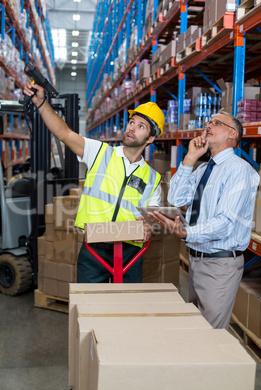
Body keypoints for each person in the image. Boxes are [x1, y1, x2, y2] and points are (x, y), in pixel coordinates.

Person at [24, 80, 165, 283]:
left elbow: (151, 218)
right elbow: (64, 133)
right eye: (132, 122)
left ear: (151, 138)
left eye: (141, 126)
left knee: (127, 309)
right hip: (94, 247)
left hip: (130, 253)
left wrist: (148, 226)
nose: (132, 128)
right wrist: (41, 104)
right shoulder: (100, 153)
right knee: (89, 307)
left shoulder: (153, 178)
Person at [148, 111, 260, 329]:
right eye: (208, 122)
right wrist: (190, 158)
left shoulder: (239, 171)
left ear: (232, 134)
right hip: (197, 260)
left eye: (216, 123)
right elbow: (176, 198)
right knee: (198, 330)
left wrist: (187, 233)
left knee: (211, 335)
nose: (208, 125)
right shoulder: (202, 169)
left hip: (220, 264)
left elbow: (226, 222)